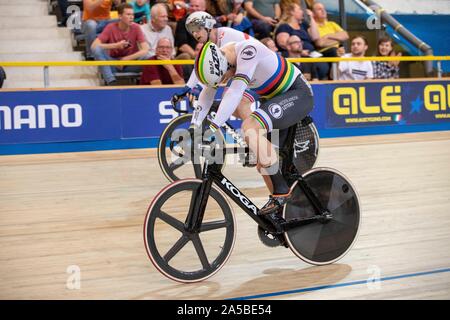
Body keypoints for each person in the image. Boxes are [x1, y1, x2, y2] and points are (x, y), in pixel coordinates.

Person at [193, 39, 314, 216]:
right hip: (274, 97)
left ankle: (281, 191)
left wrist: (212, 128)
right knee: (263, 165)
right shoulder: (224, 61)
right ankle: (282, 213)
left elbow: (234, 92)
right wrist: (193, 127)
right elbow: (207, 94)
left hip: (297, 94)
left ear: (225, 63)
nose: (224, 81)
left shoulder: (248, 51)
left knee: (250, 127)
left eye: (224, 77)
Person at [172, 11, 258, 122]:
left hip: (256, 70)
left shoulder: (225, 35)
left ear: (208, 26)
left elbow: (215, 73)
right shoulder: (209, 45)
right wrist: (187, 87)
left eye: (197, 29)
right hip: (244, 71)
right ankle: (256, 128)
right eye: (192, 31)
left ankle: (257, 133)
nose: (194, 34)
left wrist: (197, 87)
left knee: (235, 102)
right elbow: (199, 68)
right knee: (230, 105)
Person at [91, 3, 150, 85]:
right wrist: (116, 45)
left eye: (132, 14)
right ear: (120, 16)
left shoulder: (136, 27)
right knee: (97, 49)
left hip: (130, 63)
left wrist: (126, 59)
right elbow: (94, 45)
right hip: (113, 64)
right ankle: (111, 81)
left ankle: (146, 85)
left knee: (148, 57)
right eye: (128, 14)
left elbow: (145, 49)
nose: (131, 17)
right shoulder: (110, 27)